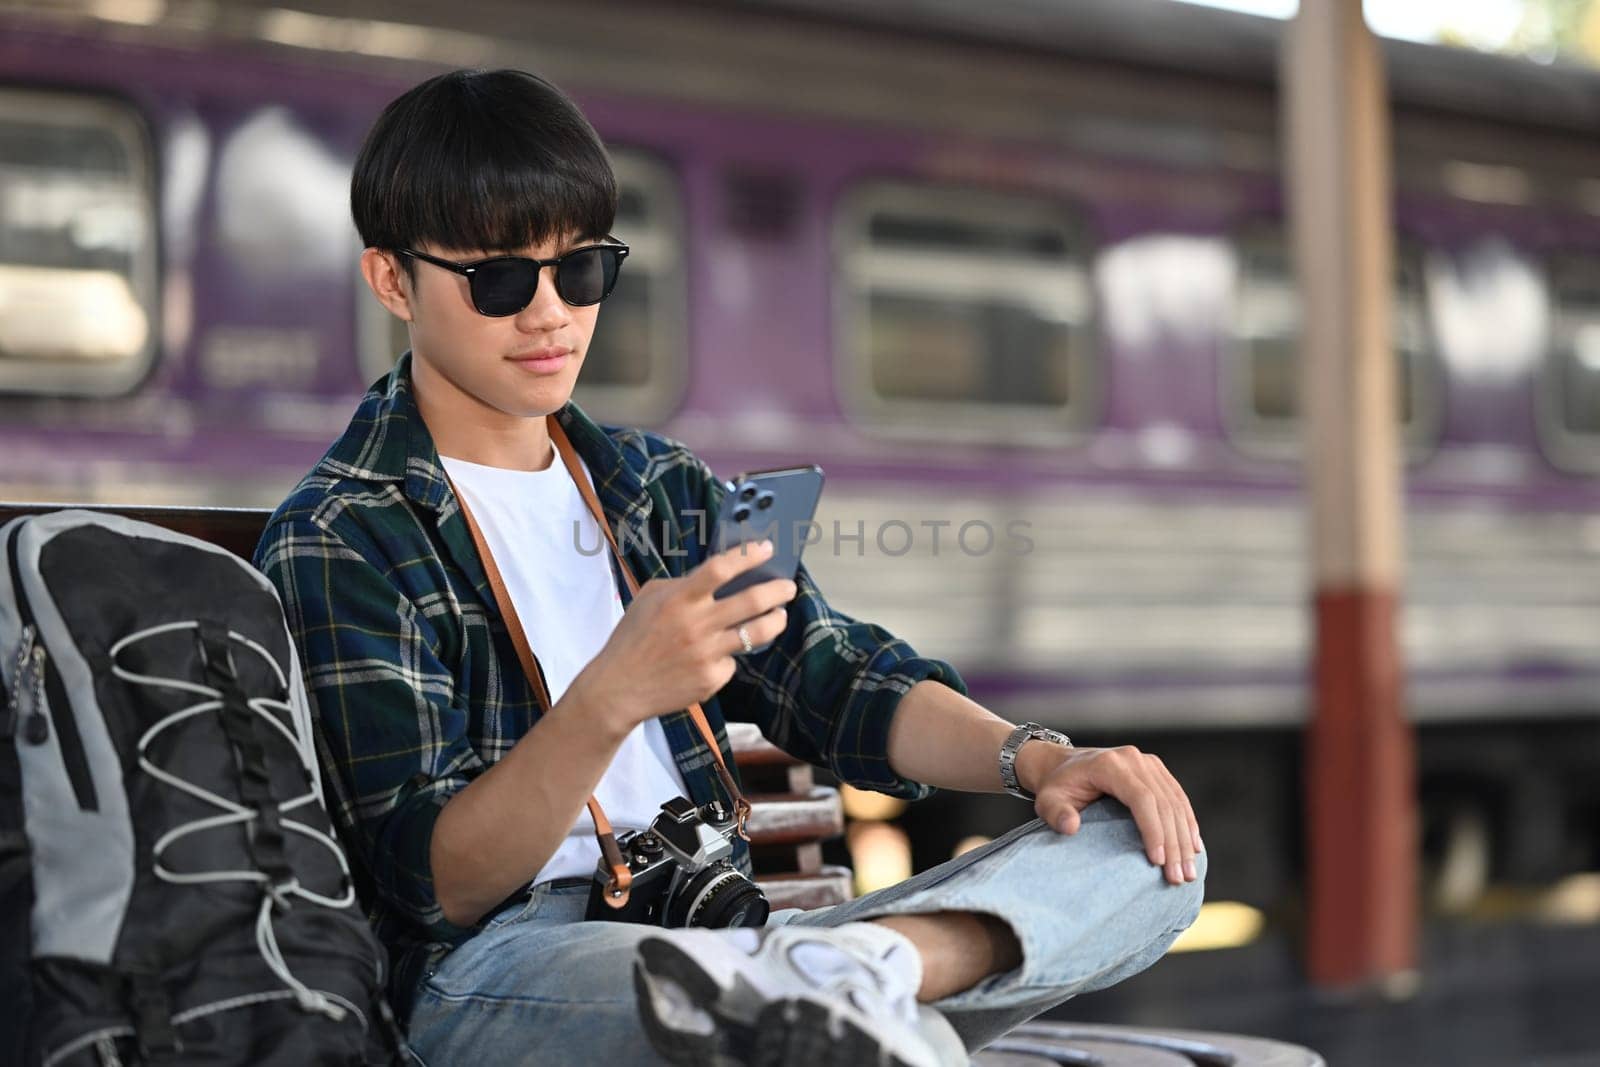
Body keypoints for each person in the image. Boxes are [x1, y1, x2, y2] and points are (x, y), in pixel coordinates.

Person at [255, 68, 1206, 1067]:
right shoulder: (344, 533)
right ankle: (838, 991)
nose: (551, 315)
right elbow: (439, 885)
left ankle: (851, 975)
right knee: (889, 1040)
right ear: (392, 281)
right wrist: (611, 696)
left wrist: (1042, 759)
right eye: (499, 280)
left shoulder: (649, 484)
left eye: (581, 271)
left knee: (1145, 849)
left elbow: (836, 677)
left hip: (723, 938)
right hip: (506, 967)